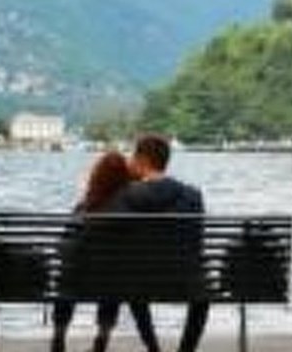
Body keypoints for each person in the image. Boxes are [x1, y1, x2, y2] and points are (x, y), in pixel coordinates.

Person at [51, 150, 161, 352]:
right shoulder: (131, 208)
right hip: (113, 284)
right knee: (114, 276)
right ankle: (102, 338)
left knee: (69, 276)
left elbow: (63, 246)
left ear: (97, 176)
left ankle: (59, 337)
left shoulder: (84, 207)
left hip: (76, 282)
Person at [118, 133, 208, 352]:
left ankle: (153, 349)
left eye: (133, 157)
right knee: (202, 294)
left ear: (143, 159)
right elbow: (196, 240)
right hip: (187, 281)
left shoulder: (127, 195)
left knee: (130, 283)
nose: (130, 161)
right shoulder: (193, 195)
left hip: (142, 282)